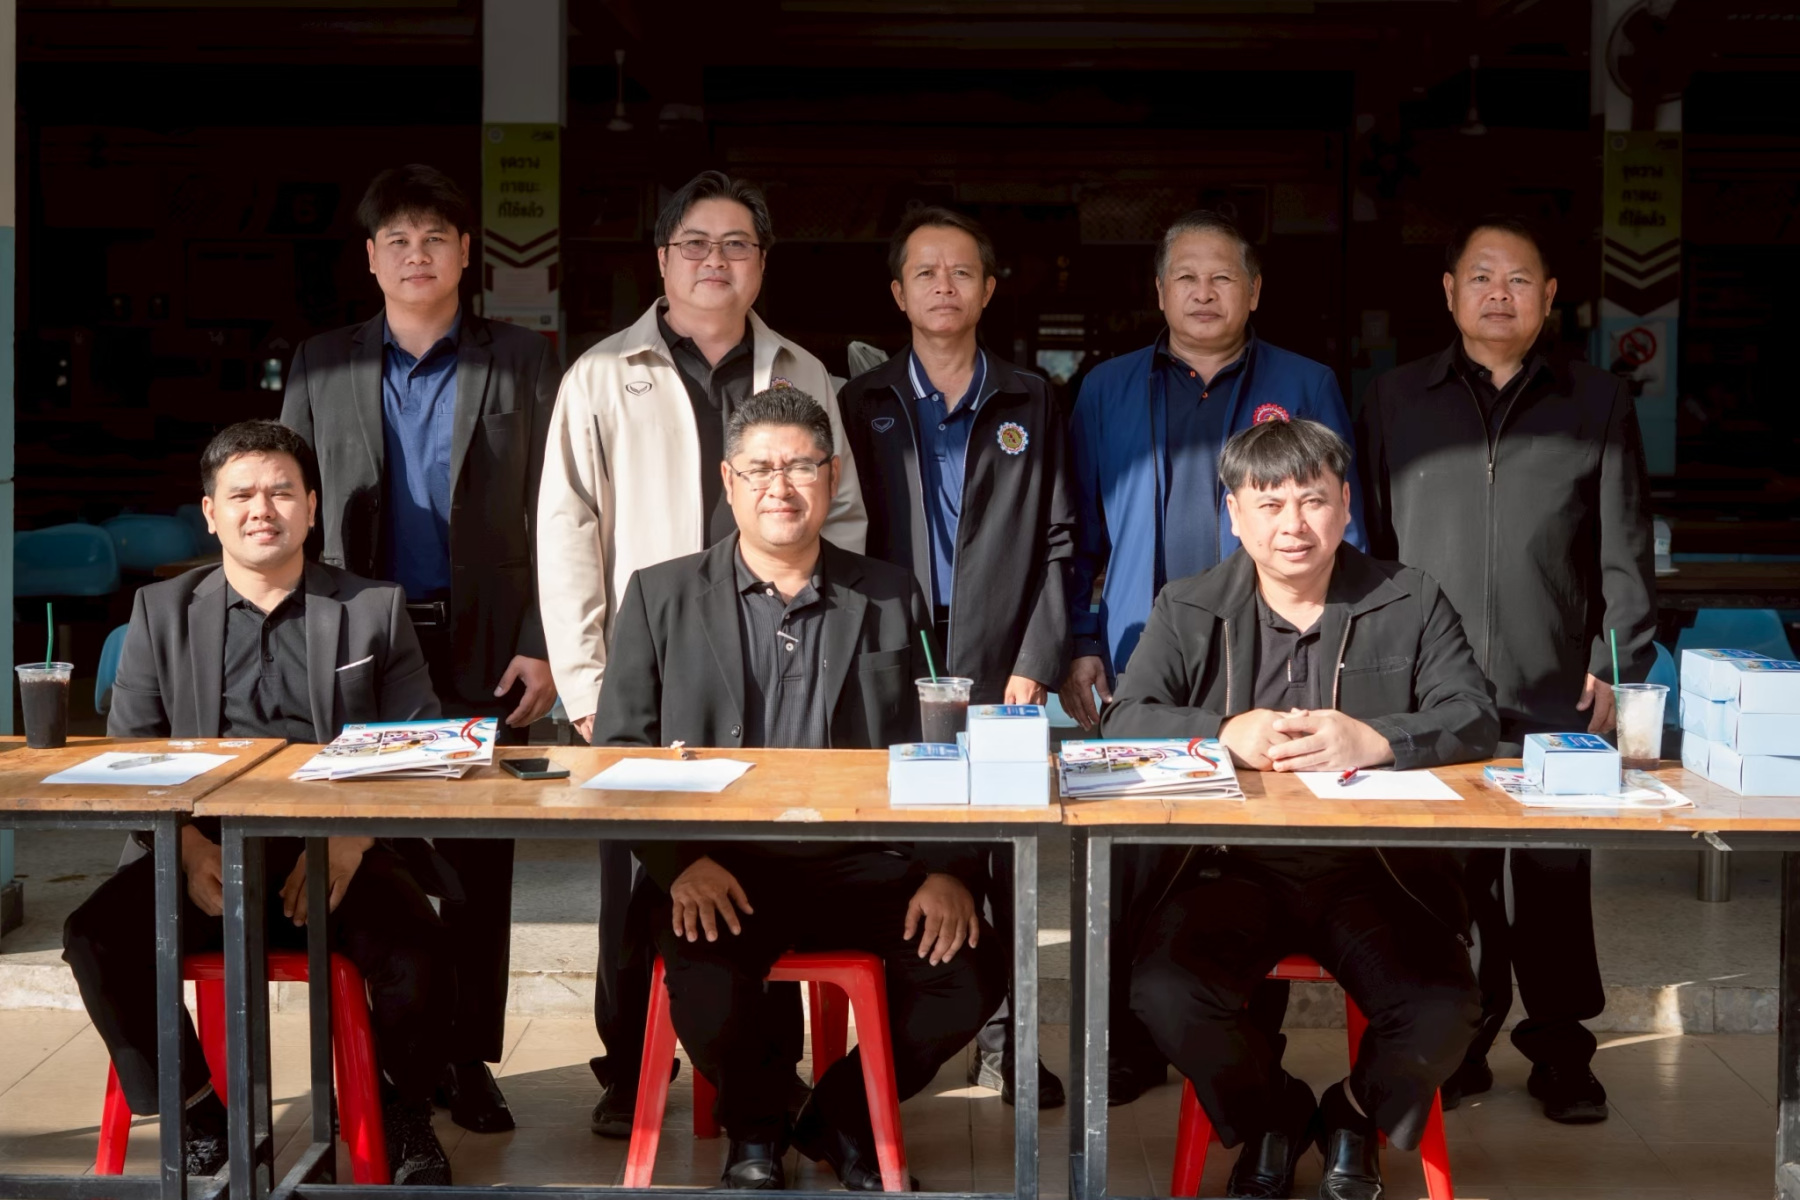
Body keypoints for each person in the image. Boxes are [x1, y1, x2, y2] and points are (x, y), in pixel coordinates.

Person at [595, 388, 1003, 1190]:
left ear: (833, 477)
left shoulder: (889, 592)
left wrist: (947, 866)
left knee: (970, 971)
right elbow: (617, 753)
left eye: (801, 467)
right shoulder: (660, 594)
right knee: (709, 985)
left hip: (860, 862)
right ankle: (755, 1129)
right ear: (728, 480)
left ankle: (838, 1117)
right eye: (760, 469)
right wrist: (679, 863)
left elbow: (938, 740)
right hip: (722, 864)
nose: (780, 486)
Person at [536, 170, 868, 1135]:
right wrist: (588, 683)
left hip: (776, 660)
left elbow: (842, 512)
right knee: (639, 875)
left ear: (761, 263)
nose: (714, 261)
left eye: (735, 244)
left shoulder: (803, 373)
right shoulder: (604, 373)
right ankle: (625, 1066)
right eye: (695, 243)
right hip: (649, 667)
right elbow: (566, 526)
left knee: (768, 867)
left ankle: (761, 1069)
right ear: (662, 260)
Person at [1106, 418, 1494, 1200]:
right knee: (1166, 994)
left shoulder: (1409, 598)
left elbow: (1474, 715)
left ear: (1345, 504)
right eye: (1270, 503)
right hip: (1229, 869)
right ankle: (1275, 1112)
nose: (1294, 524)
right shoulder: (1189, 607)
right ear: (1234, 514)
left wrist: (1376, 739)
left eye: (1313, 501)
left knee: (1445, 1007)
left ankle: (1351, 1112)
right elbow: (1123, 723)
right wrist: (1223, 733)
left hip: (1377, 871)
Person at [61, 421, 454, 1185]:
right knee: (94, 937)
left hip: (335, 849)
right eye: (240, 495)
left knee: (420, 948)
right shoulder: (161, 610)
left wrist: (349, 841)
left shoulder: (372, 607)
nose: (261, 509)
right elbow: (130, 756)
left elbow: (417, 745)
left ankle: (400, 1112)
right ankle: (198, 1113)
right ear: (210, 513)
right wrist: (187, 849)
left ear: (312, 506)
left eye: (281, 492)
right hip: (204, 852)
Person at [1060, 209, 1367, 1102]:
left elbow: (1343, 523)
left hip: (1272, 652)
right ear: (1159, 292)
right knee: (1130, 851)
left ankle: (1244, 1049)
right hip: (1139, 653)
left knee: (1255, 849)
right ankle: (1124, 1043)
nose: (1204, 293)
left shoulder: (1304, 382)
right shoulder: (1106, 388)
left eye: (1222, 277)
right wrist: (1081, 640)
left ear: (1254, 291)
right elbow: (1076, 528)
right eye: (1186, 278)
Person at [1357, 214, 1657, 1124]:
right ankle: (1464, 1044)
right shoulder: (1395, 400)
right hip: (1432, 692)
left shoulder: (1595, 401)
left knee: (1554, 875)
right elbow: (1369, 547)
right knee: (1449, 879)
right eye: (1481, 277)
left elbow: (1624, 552)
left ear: (1550, 297)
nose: (1500, 294)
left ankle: (1562, 1050)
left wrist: (1616, 664)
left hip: (1555, 684)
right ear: (1449, 292)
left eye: (1520, 279)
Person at [279, 164, 558, 1134]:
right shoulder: (322, 363)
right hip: (357, 648)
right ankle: (390, 1063)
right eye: (396, 239)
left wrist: (542, 642)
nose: (416, 255)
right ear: (370, 257)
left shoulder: (521, 359)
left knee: (478, 864)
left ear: (466, 252)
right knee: (373, 858)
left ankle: (467, 1060)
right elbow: (291, 513)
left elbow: (558, 512)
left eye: (435, 237)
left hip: (485, 646)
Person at [839, 205, 1074, 1109]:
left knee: (1006, 849)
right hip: (887, 655)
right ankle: (910, 1021)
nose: (945, 286)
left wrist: (1037, 659)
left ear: (988, 289)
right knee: (898, 836)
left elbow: (1057, 541)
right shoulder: (861, 402)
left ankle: (1010, 1044)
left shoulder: (1031, 398)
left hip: (999, 654)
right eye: (926, 272)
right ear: (899, 294)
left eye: (962, 271)